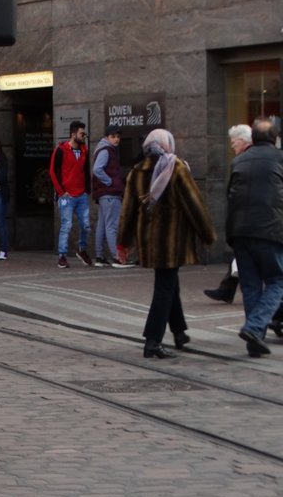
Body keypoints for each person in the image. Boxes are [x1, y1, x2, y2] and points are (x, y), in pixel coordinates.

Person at [117, 129, 216, 359]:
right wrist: (207, 234)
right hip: (171, 241)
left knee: (170, 281)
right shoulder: (176, 168)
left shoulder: (136, 171)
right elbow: (194, 204)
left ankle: (179, 332)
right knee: (164, 285)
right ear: (167, 144)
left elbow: (127, 211)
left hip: (149, 241)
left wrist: (123, 242)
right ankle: (152, 340)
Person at [224, 117, 283, 358]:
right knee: (278, 281)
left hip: (239, 232)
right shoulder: (280, 158)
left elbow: (230, 195)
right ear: (274, 139)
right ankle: (255, 327)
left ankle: (253, 341)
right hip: (270, 231)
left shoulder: (239, 161)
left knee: (250, 285)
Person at [204, 123, 253, 303]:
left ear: (242, 141)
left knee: (250, 259)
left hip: (251, 220)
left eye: (233, 142)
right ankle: (227, 289)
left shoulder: (243, 162)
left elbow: (235, 193)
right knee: (242, 256)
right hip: (254, 220)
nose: (231, 146)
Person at [50, 120, 92, 269]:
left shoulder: (84, 150)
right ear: (73, 134)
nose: (84, 136)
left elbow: (86, 171)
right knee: (66, 225)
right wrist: (61, 192)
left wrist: (87, 190)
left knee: (86, 225)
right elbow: (53, 172)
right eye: (82, 134)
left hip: (81, 194)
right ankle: (62, 256)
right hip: (67, 195)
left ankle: (81, 249)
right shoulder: (61, 150)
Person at [91, 125, 132, 268]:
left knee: (102, 225)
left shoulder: (104, 149)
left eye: (118, 137)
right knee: (112, 225)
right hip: (110, 194)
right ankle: (117, 257)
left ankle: (99, 257)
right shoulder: (106, 150)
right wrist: (110, 182)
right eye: (113, 137)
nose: (116, 139)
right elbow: (97, 169)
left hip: (104, 194)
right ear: (107, 137)